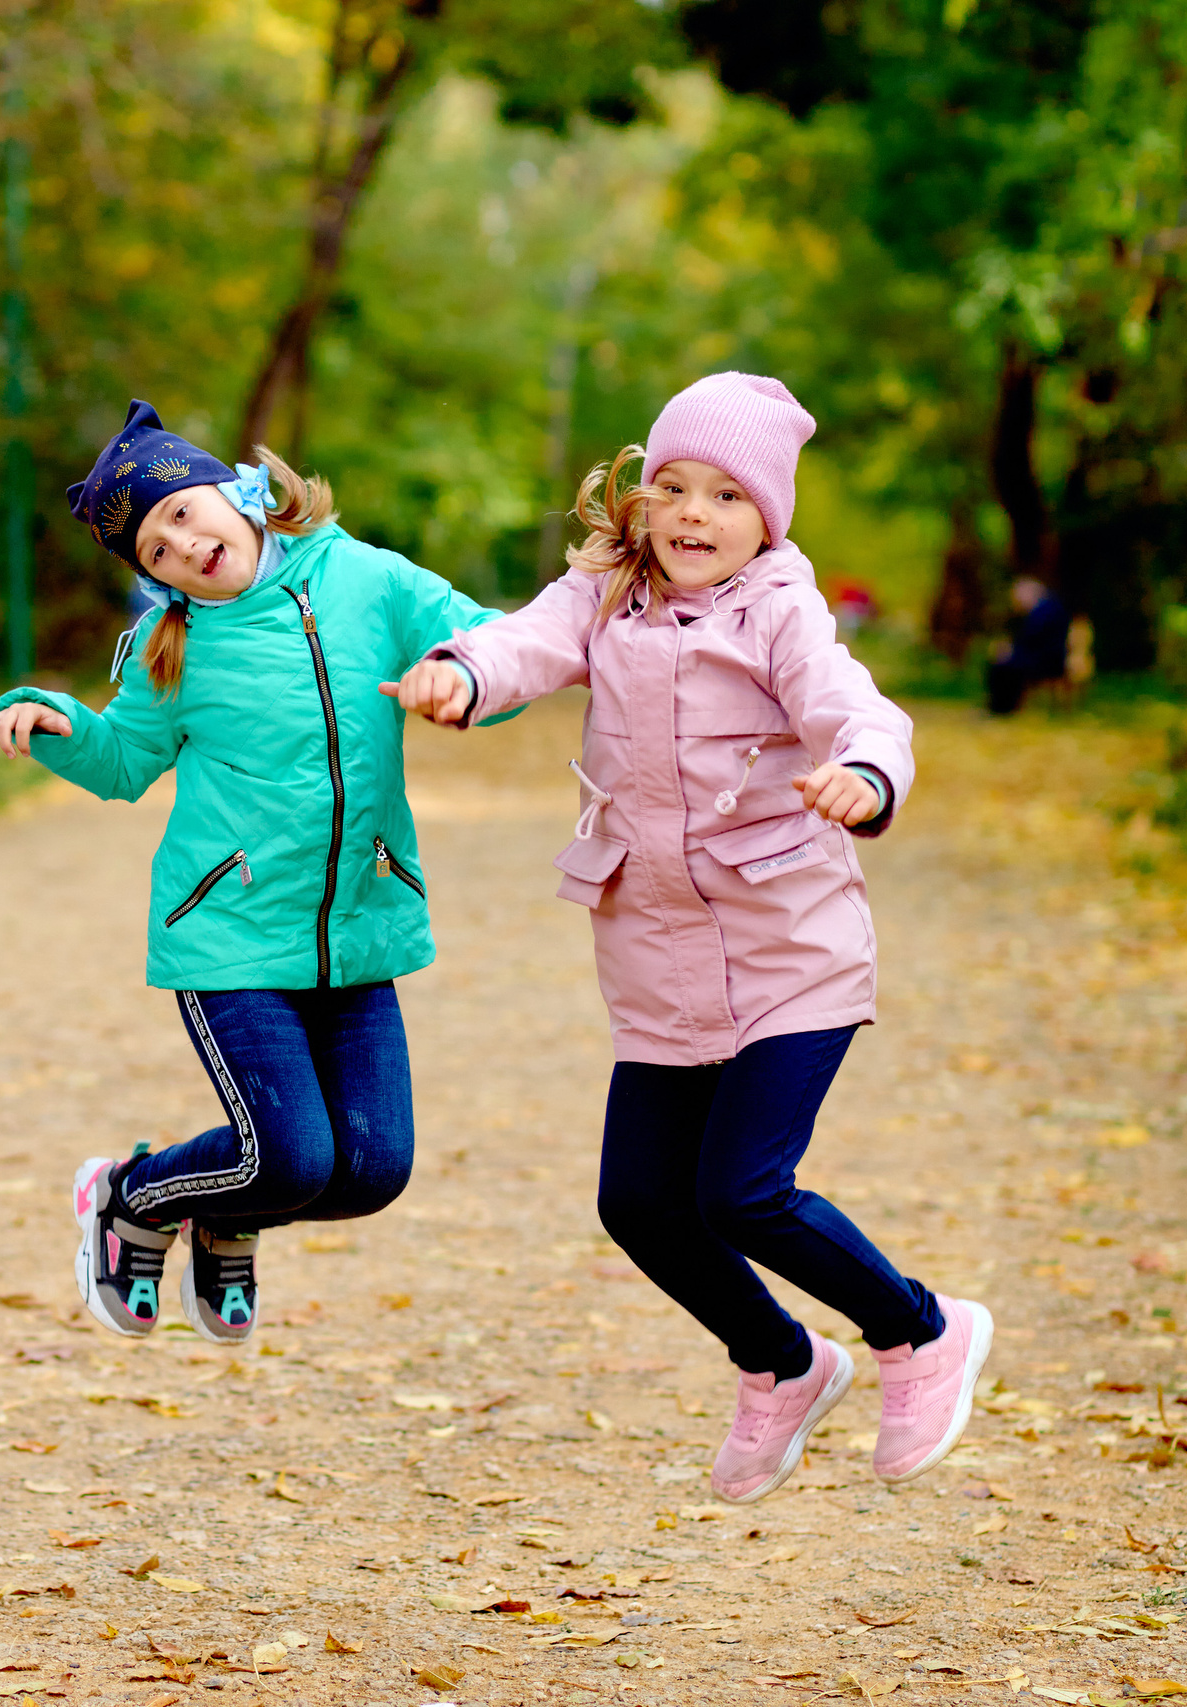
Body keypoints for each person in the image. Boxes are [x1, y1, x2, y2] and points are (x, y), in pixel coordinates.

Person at [388, 373, 994, 1504]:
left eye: (725, 495)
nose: (692, 514)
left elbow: (855, 708)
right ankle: (781, 1362)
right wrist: (462, 674)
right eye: (672, 486)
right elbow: (523, 643)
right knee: (641, 1205)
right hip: (661, 961)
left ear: (768, 518)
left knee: (743, 1192)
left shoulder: (781, 611)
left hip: (792, 949)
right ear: (641, 495)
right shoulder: (605, 592)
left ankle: (922, 1331)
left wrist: (866, 773)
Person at [0, 402, 508, 1345]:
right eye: (155, 550)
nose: (182, 545)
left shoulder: (371, 579)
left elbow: (496, 644)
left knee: (372, 1171)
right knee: (288, 1158)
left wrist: (467, 677)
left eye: (182, 511)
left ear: (236, 489)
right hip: (230, 938)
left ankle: (225, 1215)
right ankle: (129, 1195)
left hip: (355, 928)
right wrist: (56, 721)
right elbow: (122, 761)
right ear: (153, 578)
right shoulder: (173, 649)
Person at [985, 575, 1070, 714]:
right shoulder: (1051, 607)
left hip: (1045, 661)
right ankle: (1003, 704)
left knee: (1001, 665)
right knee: (1004, 662)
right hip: (1050, 658)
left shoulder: (1043, 612)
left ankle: (1002, 706)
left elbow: (1032, 640)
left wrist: (1010, 652)